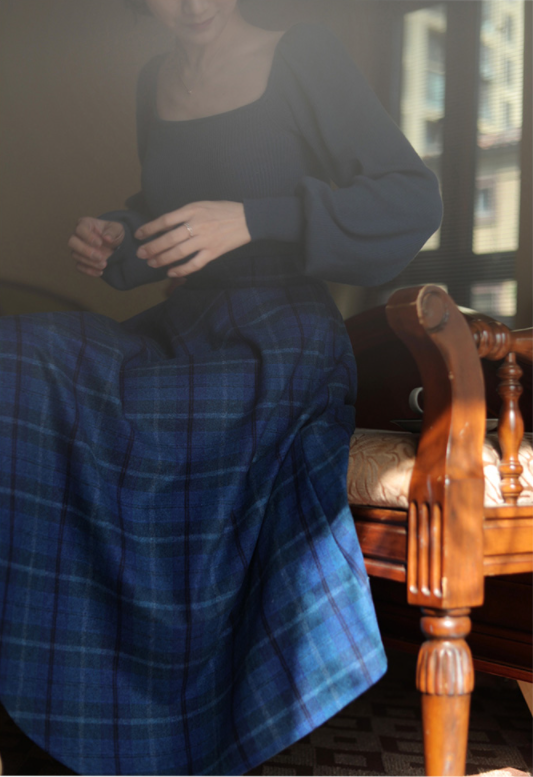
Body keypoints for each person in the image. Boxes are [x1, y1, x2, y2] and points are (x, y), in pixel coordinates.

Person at [0, 0, 442, 774]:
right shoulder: (153, 80)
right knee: (20, 356)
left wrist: (254, 217)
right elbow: (172, 226)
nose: (194, 4)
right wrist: (117, 235)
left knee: (155, 425)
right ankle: (82, 677)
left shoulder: (304, 53)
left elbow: (411, 200)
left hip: (278, 341)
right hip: (182, 333)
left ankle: (195, 705)